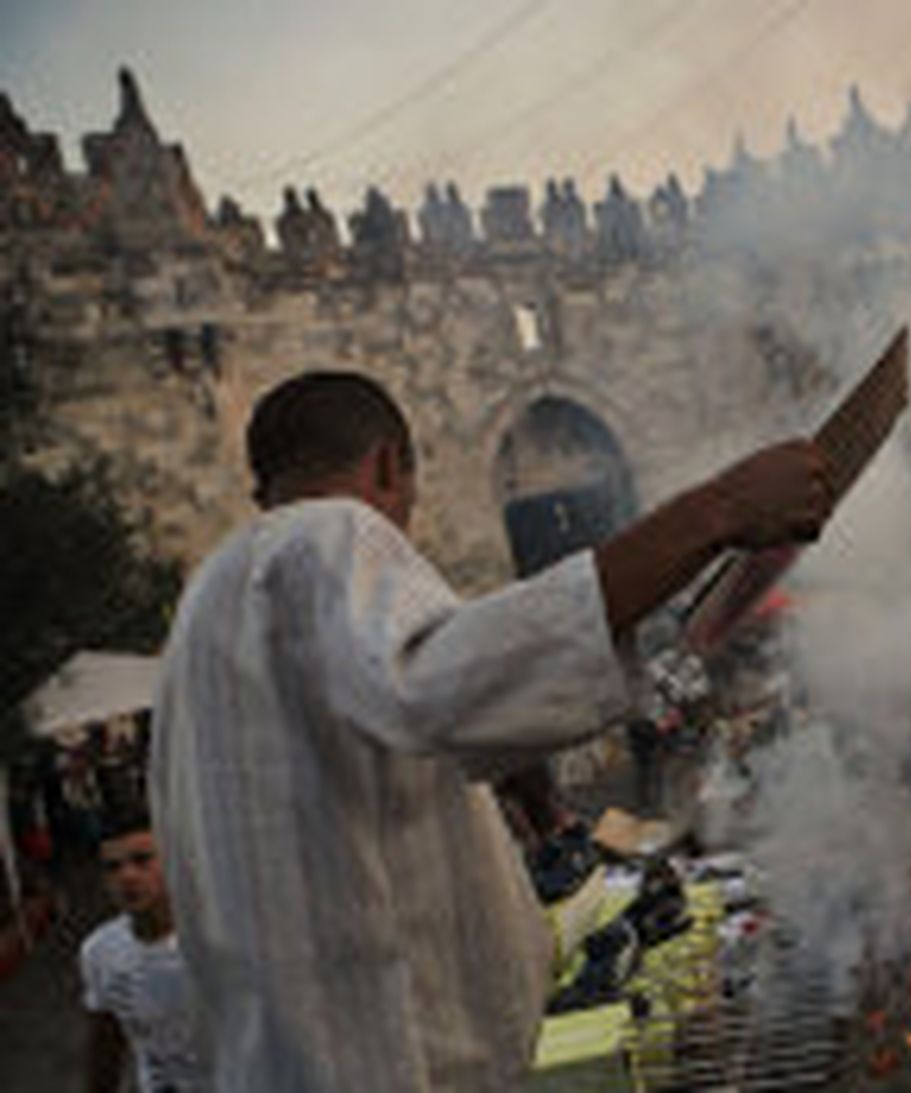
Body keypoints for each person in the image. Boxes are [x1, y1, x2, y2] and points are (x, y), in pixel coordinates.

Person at [149, 371, 833, 1092]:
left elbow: (361, 751)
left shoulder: (208, 601)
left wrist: (494, 775)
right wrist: (719, 509)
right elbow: (434, 690)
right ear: (388, 465)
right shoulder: (328, 532)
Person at [79, 810, 202, 1093]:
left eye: (142, 860)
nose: (127, 876)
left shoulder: (214, 940)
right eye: (112, 867)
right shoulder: (99, 950)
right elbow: (105, 1039)